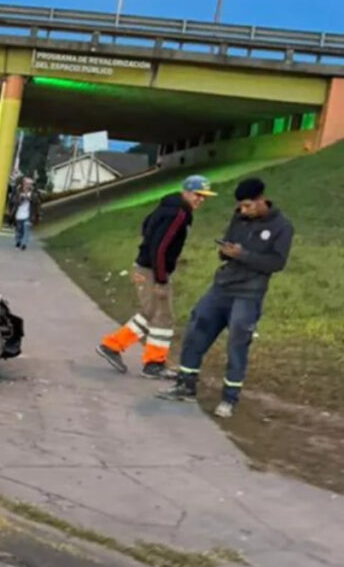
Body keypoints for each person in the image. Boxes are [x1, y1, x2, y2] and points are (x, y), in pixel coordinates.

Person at [158, 178, 293, 418]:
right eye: (241, 206)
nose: (243, 210)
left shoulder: (282, 226)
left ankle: (229, 398)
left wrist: (242, 255)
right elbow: (229, 242)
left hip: (248, 294)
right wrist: (225, 251)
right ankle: (185, 384)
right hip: (221, 287)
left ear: (262, 201)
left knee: (237, 343)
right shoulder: (239, 217)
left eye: (248, 206)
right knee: (197, 328)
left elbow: (276, 263)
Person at [96, 175, 216, 378]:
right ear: (186, 191)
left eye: (204, 196)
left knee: (150, 312)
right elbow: (160, 247)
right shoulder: (179, 213)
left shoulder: (169, 206)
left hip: (145, 266)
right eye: (198, 195)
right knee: (163, 317)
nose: (201, 200)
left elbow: (146, 225)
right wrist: (161, 279)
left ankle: (113, 345)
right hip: (152, 270)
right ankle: (153, 363)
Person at [13, 177, 34, 250]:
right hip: (19, 215)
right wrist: (21, 199)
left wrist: (29, 198)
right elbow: (15, 202)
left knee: (26, 230)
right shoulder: (18, 192)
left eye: (29, 184)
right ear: (23, 184)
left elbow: (36, 202)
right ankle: (18, 242)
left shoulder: (33, 193)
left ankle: (24, 244)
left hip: (28, 215)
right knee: (19, 230)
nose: (28, 185)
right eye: (26, 183)